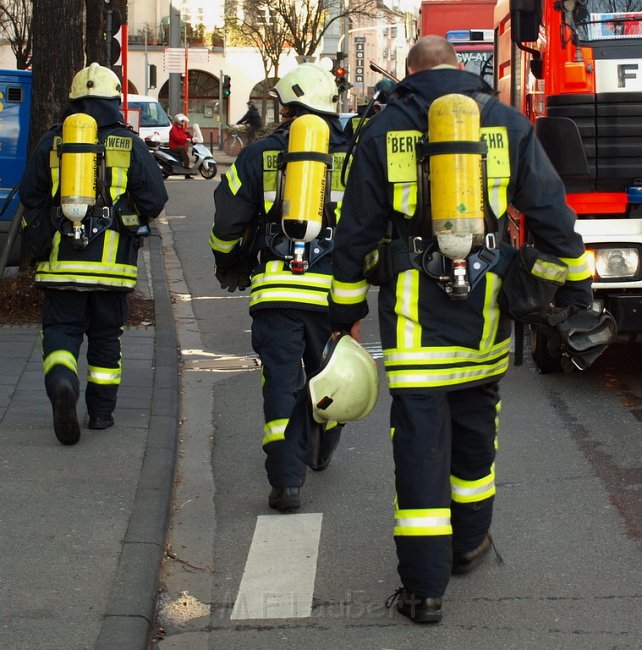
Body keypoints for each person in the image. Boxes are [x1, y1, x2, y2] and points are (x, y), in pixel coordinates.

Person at [327, 35, 593, 624]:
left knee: (420, 451)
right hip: (486, 322)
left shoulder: (385, 128)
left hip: (414, 328)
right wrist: (576, 289)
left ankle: (424, 591)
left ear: (410, 72)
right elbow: (552, 214)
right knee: (477, 436)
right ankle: (469, 545)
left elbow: (355, 235)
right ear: (456, 67)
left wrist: (341, 315)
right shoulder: (505, 123)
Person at [209, 63, 350, 512]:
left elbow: (227, 222)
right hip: (334, 293)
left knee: (281, 382)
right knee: (328, 375)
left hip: (277, 292)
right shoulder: (355, 155)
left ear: (287, 106)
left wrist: (229, 262)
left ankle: (287, 481)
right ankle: (321, 446)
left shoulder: (257, 155)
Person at [18, 62, 168, 446]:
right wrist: (127, 218)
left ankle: (63, 382)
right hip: (112, 269)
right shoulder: (128, 143)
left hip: (59, 266)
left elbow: (30, 197)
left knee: (60, 333)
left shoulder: (51, 142)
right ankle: (101, 413)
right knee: (106, 339)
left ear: (73, 100)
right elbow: (155, 199)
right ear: (114, 100)